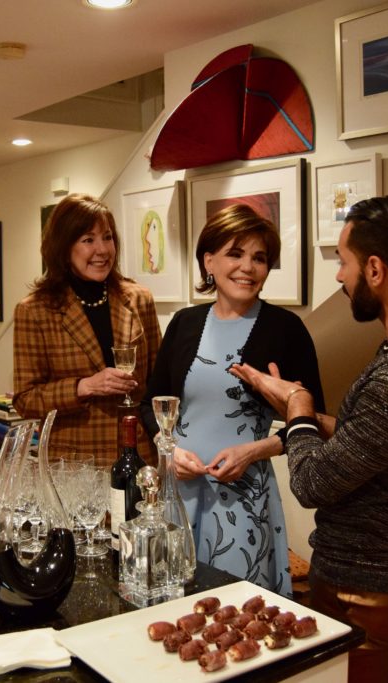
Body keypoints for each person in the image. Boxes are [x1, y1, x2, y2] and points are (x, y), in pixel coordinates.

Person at [230, 194, 388, 682]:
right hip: (378, 574)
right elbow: (375, 442)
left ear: (376, 270)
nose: (339, 276)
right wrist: (311, 418)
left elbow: (313, 482)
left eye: (344, 262)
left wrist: (297, 406)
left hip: (366, 583)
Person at [139, 203, 324, 596]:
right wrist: (168, 451)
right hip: (178, 492)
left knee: (236, 613)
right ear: (209, 261)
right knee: (169, 605)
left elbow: (316, 422)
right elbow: (149, 405)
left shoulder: (286, 329)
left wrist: (254, 452)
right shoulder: (185, 323)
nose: (248, 267)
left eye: (259, 258)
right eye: (235, 254)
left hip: (243, 497)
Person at [13, 193, 161, 467]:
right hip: (74, 463)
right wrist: (85, 386)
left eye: (107, 237)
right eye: (88, 240)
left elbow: (160, 382)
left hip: (139, 454)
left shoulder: (139, 299)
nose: (102, 250)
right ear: (63, 247)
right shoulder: (34, 310)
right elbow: (25, 400)